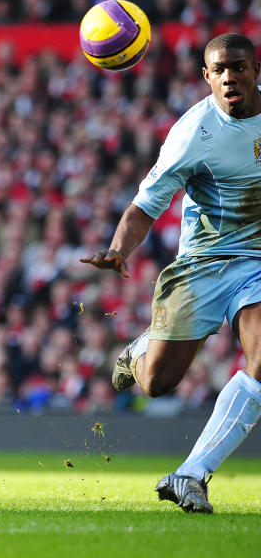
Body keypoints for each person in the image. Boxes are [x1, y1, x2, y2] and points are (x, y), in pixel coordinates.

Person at [81, 33, 261, 514]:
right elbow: (144, 207)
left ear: (255, 70)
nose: (230, 77)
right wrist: (118, 249)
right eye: (219, 70)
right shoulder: (193, 134)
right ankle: (139, 351)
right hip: (203, 264)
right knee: (158, 383)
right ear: (207, 77)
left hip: (258, 262)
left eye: (238, 67)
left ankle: (191, 475)